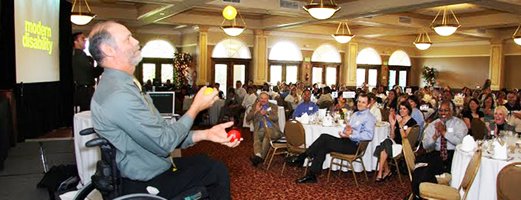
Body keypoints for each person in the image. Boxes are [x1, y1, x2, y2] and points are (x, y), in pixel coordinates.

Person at [88, 21, 241, 199]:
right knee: (216, 171)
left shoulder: (125, 84)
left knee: (206, 161)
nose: (136, 41)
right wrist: (195, 108)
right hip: (146, 181)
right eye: (128, 38)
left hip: (158, 166)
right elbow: (164, 143)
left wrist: (206, 134)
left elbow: (162, 132)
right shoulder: (118, 95)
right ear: (109, 49)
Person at [287, 93, 376, 183]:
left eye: (363, 102)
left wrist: (352, 134)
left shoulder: (369, 118)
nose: (360, 104)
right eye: (359, 101)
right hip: (347, 141)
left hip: (355, 146)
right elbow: (347, 128)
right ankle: (312, 175)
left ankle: (302, 156)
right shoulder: (355, 115)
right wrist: (345, 132)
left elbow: (369, 135)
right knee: (323, 147)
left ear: (368, 105)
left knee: (324, 137)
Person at [410, 101, 467, 199]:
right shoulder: (433, 125)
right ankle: (419, 196)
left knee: (426, 174)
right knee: (419, 172)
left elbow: (460, 142)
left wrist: (444, 133)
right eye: (441, 110)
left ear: (452, 111)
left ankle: (430, 194)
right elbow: (426, 145)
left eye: (446, 110)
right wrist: (434, 137)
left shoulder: (459, 124)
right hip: (436, 154)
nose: (443, 113)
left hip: (453, 155)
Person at [374, 101, 417, 182]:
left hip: (403, 146)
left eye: (404, 109)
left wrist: (400, 124)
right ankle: (383, 172)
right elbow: (393, 136)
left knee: (382, 146)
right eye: (400, 109)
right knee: (385, 143)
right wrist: (393, 125)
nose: (402, 111)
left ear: (408, 110)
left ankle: (384, 172)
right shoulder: (398, 120)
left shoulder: (412, 122)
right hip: (394, 143)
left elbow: (404, 137)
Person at [245, 92, 282, 167]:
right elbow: (248, 118)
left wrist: (266, 114)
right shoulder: (255, 106)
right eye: (261, 98)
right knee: (257, 136)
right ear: (258, 99)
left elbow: (275, 118)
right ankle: (258, 156)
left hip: (273, 130)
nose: (263, 100)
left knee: (267, 136)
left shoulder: (273, 106)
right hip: (261, 129)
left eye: (265, 98)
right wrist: (256, 111)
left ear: (268, 99)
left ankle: (259, 158)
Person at [72, 32, 103, 111]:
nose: (85, 41)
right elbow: (91, 73)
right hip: (83, 91)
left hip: (86, 90)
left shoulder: (85, 57)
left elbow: (92, 73)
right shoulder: (77, 56)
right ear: (75, 41)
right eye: (82, 39)